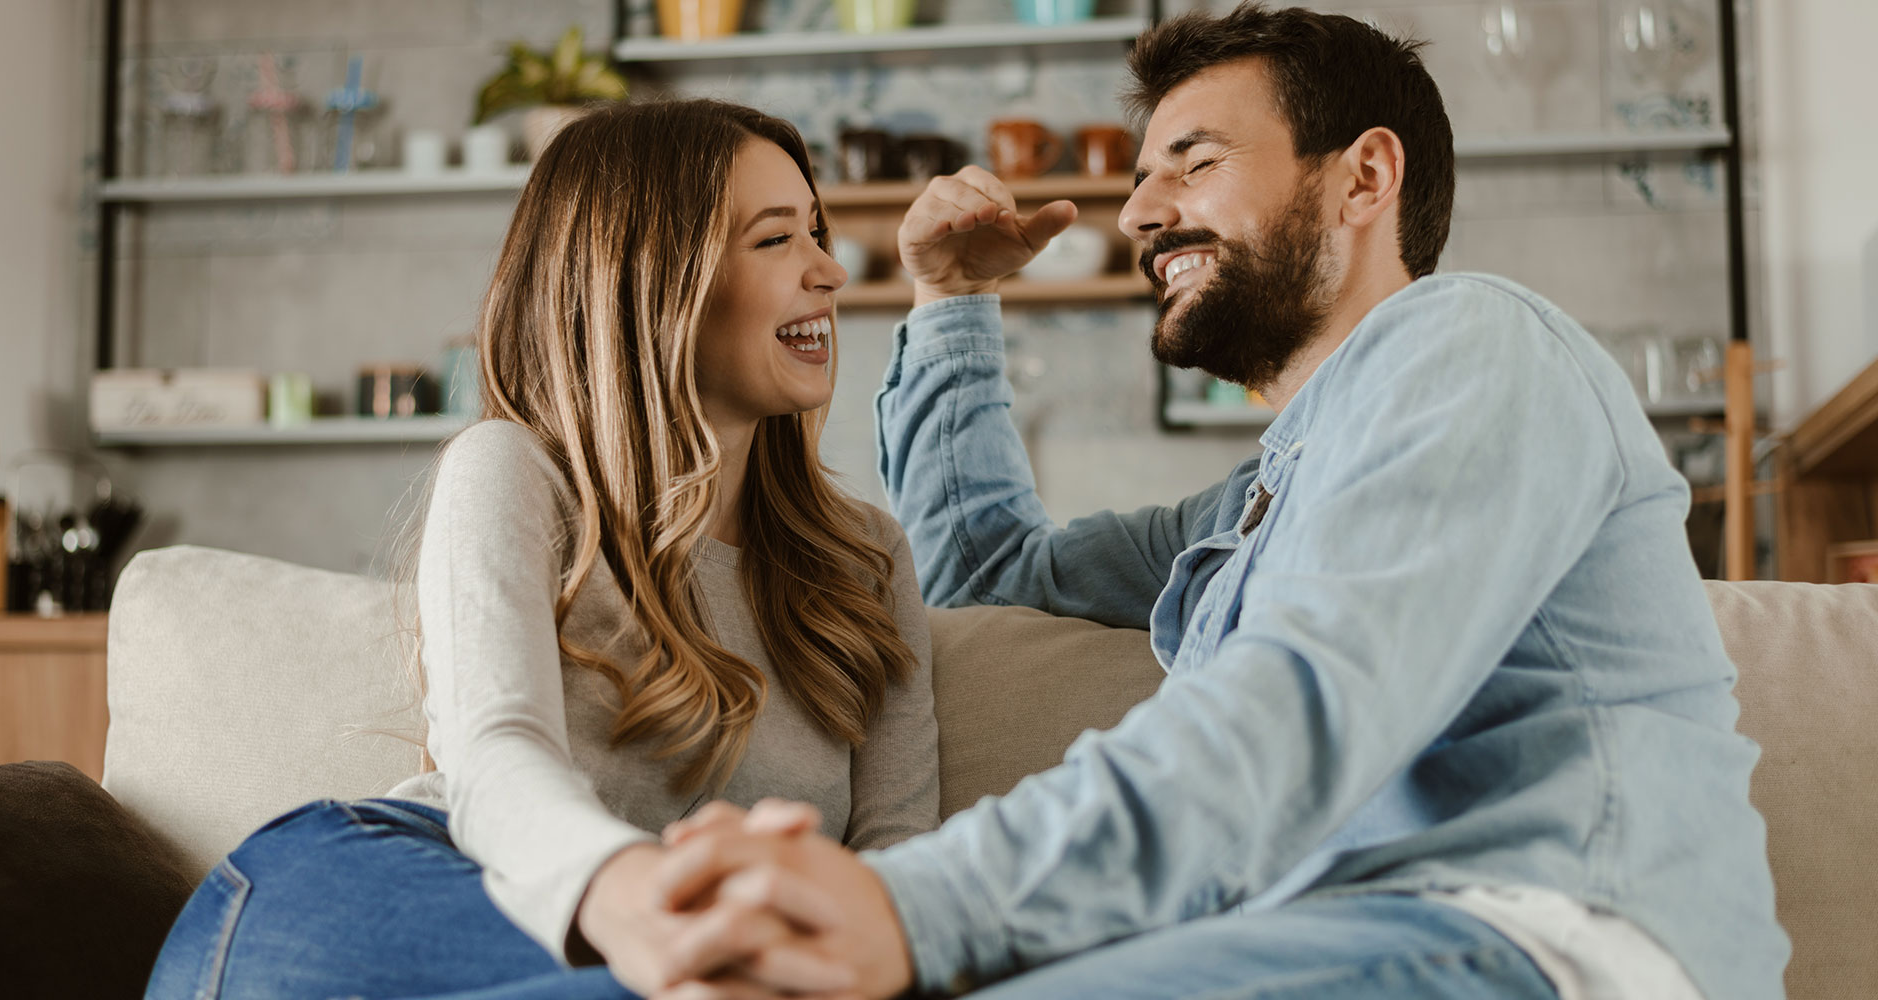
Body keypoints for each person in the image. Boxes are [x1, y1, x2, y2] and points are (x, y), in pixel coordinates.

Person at [637, 6, 1790, 1000]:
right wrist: (949, 300)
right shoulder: (1263, 497)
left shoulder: (1475, 344)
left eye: (1190, 161)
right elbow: (984, 577)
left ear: (1363, 177)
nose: (1140, 212)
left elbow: (1293, 709)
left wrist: (907, 907)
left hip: (1547, 942)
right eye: (1140, 176)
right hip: (1330, 940)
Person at [142, 99, 939, 1000]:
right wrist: (641, 902)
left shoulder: (866, 560)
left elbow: (900, 854)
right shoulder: (516, 471)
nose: (829, 271)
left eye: (817, 232)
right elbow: (496, 753)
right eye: (775, 239)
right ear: (653, 281)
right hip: (383, 886)